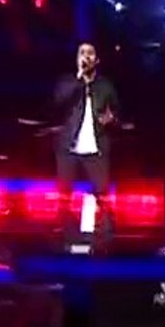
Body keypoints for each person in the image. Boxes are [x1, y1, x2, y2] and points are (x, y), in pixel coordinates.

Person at [53, 43, 120, 241]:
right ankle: (66, 237)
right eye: (82, 53)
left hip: (96, 148)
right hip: (69, 148)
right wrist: (78, 78)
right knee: (64, 196)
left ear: (97, 60)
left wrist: (111, 118)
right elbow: (58, 101)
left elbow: (117, 111)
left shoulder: (105, 86)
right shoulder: (67, 82)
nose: (86, 57)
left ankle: (105, 238)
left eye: (90, 53)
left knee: (103, 196)